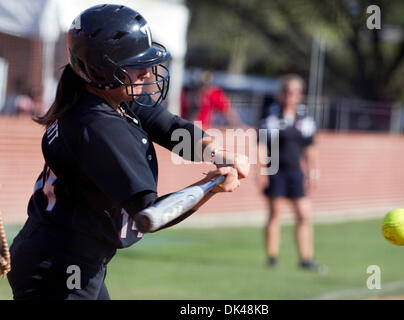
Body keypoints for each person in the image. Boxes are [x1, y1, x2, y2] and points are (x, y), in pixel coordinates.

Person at [6, 4, 249, 300]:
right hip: (60, 268)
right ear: (101, 69)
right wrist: (212, 186)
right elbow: (152, 213)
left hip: (73, 259)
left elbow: (168, 126)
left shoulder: (105, 94)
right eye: (135, 64)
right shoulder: (98, 127)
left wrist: (215, 153)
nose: (147, 72)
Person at [257, 74, 324, 272]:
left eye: (294, 92)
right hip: (275, 170)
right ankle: (272, 258)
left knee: (304, 214)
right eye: (286, 91)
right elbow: (262, 146)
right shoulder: (270, 117)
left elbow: (311, 148)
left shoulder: (305, 119)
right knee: (275, 213)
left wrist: (314, 172)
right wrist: (260, 172)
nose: (290, 95)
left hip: (295, 172)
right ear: (281, 94)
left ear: (300, 95)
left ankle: (306, 258)